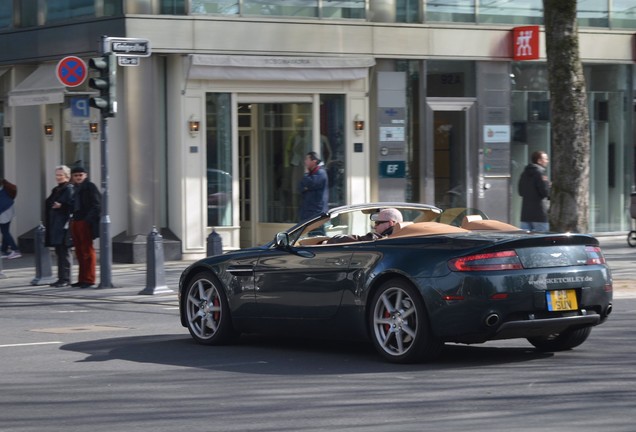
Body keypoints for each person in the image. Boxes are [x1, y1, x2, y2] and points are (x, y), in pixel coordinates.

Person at [70, 166, 101, 289]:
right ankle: (82, 279)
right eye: (76, 175)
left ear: (85, 175)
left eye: (80, 175)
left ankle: (89, 279)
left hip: (84, 222)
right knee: (79, 251)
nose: (78, 177)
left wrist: (88, 220)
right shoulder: (75, 188)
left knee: (87, 251)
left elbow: (97, 205)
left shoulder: (90, 186)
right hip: (76, 221)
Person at [45, 165, 75, 288]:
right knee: (59, 252)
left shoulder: (69, 189)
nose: (57, 177)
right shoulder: (57, 189)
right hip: (55, 225)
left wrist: (61, 206)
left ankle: (66, 279)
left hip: (64, 225)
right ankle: (61, 278)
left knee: (64, 252)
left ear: (67, 176)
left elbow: (72, 205)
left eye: (60, 175)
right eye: (57, 175)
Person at [326, 208, 403, 244]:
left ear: (390, 223)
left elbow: (340, 239)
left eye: (378, 223)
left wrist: (326, 242)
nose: (375, 226)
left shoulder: (379, 239)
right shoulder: (404, 236)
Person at [518, 150, 551, 232]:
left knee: (526, 241)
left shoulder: (524, 173)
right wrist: (548, 186)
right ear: (539, 161)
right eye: (545, 159)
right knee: (542, 241)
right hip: (540, 214)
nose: (547, 161)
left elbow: (520, 191)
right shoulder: (540, 173)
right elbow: (545, 192)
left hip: (525, 215)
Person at [298, 151, 329, 222]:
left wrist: (306, 173)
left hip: (317, 214)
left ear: (314, 161)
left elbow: (309, 183)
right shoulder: (311, 174)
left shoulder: (321, 173)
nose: (305, 162)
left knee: (317, 233)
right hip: (308, 213)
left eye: (307, 160)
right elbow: (300, 187)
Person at [0, 178, 21, 259]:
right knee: (5, 231)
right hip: (9, 210)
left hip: (4, 212)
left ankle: (16, 250)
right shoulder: (3, 187)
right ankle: (4, 250)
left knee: (5, 232)